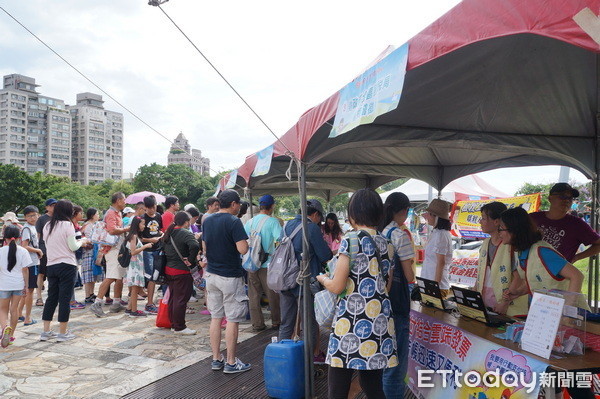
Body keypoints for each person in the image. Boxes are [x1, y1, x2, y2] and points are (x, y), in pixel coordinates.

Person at [316, 189, 397, 399]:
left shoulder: (351, 240)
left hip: (350, 323)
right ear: (379, 214)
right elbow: (385, 288)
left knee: (338, 383)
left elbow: (337, 286)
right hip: (378, 323)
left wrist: (322, 279)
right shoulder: (387, 244)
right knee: (372, 385)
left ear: (352, 215)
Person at [201, 189, 251, 373]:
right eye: (238, 204)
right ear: (233, 204)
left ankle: (216, 359)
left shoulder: (208, 220)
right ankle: (231, 362)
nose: (239, 207)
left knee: (216, 317)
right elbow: (243, 249)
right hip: (230, 275)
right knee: (232, 319)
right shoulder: (234, 221)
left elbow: (205, 246)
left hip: (211, 274)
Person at [279, 199, 332, 363]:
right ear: (315, 214)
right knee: (309, 323)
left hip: (285, 279)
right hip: (305, 282)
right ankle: (309, 361)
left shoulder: (286, 226)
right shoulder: (311, 228)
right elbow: (325, 255)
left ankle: (284, 359)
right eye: (319, 218)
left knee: (286, 323)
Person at [500, 207, 584, 300]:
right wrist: (519, 292)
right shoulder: (521, 252)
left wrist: (568, 307)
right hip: (545, 310)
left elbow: (577, 276)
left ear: (514, 230)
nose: (499, 232)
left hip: (563, 311)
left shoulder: (542, 252)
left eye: (501, 228)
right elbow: (536, 280)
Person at [379, 192, 415, 399]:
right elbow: (409, 276)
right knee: (395, 365)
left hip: (379, 303)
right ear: (403, 211)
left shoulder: (379, 232)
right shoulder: (399, 235)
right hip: (398, 303)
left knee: (383, 361)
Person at [40, 199, 88, 342]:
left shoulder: (47, 225)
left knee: (51, 298)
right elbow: (73, 246)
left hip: (51, 265)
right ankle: (62, 333)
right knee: (64, 299)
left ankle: (46, 331)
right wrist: (83, 242)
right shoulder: (68, 225)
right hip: (67, 264)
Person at [476, 202, 528, 316]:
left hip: (506, 307)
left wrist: (504, 303)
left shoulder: (510, 245)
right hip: (485, 302)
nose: (480, 221)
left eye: (483, 218)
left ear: (496, 222)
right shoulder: (485, 243)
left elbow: (518, 277)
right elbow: (480, 273)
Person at [530, 183, 600, 263]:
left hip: (558, 274)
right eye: (562, 196)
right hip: (530, 270)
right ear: (550, 198)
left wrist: (576, 257)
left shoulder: (577, 224)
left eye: (570, 198)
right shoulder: (532, 218)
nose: (566, 200)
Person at [243, 194, 282, 332]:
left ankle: (257, 324)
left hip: (251, 264)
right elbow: (281, 240)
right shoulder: (273, 222)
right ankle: (276, 321)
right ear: (272, 206)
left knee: (254, 295)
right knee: (273, 294)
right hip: (268, 265)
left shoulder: (250, 222)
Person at [89, 192, 130, 317]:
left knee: (119, 277)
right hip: (113, 250)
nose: (125, 202)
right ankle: (97, 303)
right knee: (111, 276)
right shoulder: (112, 213)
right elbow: (112, 230)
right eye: (123, 200)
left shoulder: (117, 213)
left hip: (117, 249)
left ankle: (116, 303)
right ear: (118, 201)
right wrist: (126, 229)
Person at [164, 211, 200, 334]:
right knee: (180, 299)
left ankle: (174, 324)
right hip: (181, 271)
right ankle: (180, 327)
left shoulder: (169, 232)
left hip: (169, 269)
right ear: (186, 222)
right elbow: (195, 246)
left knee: (173, 298)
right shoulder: (185, 233)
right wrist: (190, 259)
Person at [0, 225, 30, 347]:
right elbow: (25, 270)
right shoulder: (23, 251)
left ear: (4, 238)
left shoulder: (0, 251)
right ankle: (11, 334)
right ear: (19, 238)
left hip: (4, 285)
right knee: (14, 310)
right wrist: (26, 286)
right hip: (18, 284)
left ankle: (4, 328)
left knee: (2, 309)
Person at [421, 199, 453, 295]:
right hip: (429, 283)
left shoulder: (441, 234)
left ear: (436, 217)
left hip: (438, 286)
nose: (427, 216)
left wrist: (435, 286)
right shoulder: (437, 232)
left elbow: (441, 262)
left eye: (429, 214)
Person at [18, 205, 43, 326]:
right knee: (30, 291)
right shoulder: (27, 229)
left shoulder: (33, 227)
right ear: (25, 218)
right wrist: (37, 251)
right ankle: (28, 318)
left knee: (27, 290)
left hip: (32, 262)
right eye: (29, 216)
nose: (32, 218)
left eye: (34, 215)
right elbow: (24, 246)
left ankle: (19, 314)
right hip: (30, 263)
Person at [124, 217, 153, 317]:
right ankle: (134, 311)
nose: (144, 226)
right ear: (137, 224)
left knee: (134, 289)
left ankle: (129, 308)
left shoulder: (134, 236)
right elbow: (133, 252)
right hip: (134, 265)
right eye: (143, 224)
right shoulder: (133, 236)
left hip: (137, 265)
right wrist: (145, 246)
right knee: (135, 288)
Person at [140, 195, 162, 314]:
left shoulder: (158, 216)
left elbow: (160, 229)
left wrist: (161, 235)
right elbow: (139, 238)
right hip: (147, 251)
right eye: (149, 208)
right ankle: (149, 303)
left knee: (156, 277)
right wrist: (151, 240)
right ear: (145, 207)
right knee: (151, 277)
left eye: (153, 207)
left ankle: (151, 302)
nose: (152, 210)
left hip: (158, 249)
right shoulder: (142, 218)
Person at [35, 198, 57, 307]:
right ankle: (39, 297)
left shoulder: (59, 218)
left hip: (56, 250)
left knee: (53, 274)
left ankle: (52, 296)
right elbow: (37, 236)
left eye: (55, 205)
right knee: (41, 273)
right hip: (44, 250)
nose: (54, 207)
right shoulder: (42, 219)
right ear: (47, 207)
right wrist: (38, 250)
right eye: (52, 205)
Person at [81, 208, 104, 303]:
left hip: (93, 252)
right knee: (88, 274)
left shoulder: (94, 224)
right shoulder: (88, 226)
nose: (98, 216)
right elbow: (88, 239)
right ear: (92, 215)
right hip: (88, 253)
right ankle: (87, 295)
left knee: (92, 274)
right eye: (97, 214)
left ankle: (91, 293)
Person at [69, 205, 86, 310]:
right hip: (72, 255)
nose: (82, 215)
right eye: (81, 213)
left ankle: (72, 300)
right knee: (71, 279)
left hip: (77, 254)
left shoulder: (77, 225)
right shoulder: (70, 226)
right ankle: (71, 301)